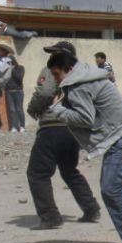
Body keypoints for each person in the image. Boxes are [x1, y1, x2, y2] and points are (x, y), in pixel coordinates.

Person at [45, 50, 122, 243]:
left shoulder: (78, 84)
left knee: (111, 189)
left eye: (56, 74)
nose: (55, 79)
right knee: (114, 187)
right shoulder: (87, 76)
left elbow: (85, 118)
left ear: (68, 70)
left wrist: (58, 110)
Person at [25, 41, 101, 230]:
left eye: (55, 53)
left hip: (52, 126)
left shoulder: (54, 69)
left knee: (37, 173)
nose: (52, 57)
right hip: (73, 128)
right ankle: (91, 208)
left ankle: (50, 216)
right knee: (69, 170)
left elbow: (44, 92)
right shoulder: (82, 72)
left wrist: (33, 109)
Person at [5, 55, 26, 133]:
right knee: (12, 110)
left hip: (18, 91)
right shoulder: (6, 70)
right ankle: (14, 126)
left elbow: (19, 78)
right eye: (7, 62)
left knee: (19, 109)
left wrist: (12, 70)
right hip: (9, 92)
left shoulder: (20, 68)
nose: (8, 64)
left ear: (13, 61)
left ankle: (22, 126)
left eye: (10, 62)